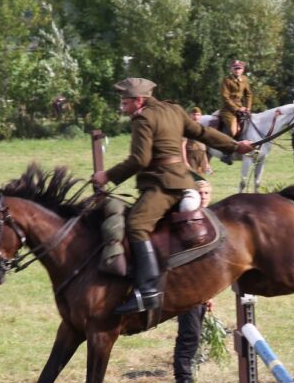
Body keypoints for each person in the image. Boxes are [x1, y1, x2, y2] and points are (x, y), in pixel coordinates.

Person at [91, 78, 254, 315]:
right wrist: (235, 145)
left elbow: (140, 160)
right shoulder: (174, 110)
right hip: (182, 180)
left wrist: (107, 176)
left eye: (125, 102)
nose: (123, 107)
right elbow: (202, 132)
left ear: (139, 100)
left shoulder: (143, 118)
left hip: (163, 184)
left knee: (137, 224)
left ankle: (148, 292)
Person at [170, 178, 214, 383]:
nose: (204, 196)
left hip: (200, 289)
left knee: (192, 337)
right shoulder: (188, 224)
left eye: (207, 193)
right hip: (187, 290)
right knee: (189, 336)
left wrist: (209, 292)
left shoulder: (209, 222)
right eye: (201, 193)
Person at [184, 106, 212, 176]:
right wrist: (185, 161)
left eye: (198, 115)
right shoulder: (186, 128)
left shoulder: (202, 128)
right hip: (191, 155)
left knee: (201, 180)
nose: (196, 117)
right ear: (190, 115)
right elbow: (182, 145)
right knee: (193, 178)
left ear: (201, 116)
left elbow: (203, 148)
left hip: (201, 155)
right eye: (194, 114)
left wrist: (206, 163)